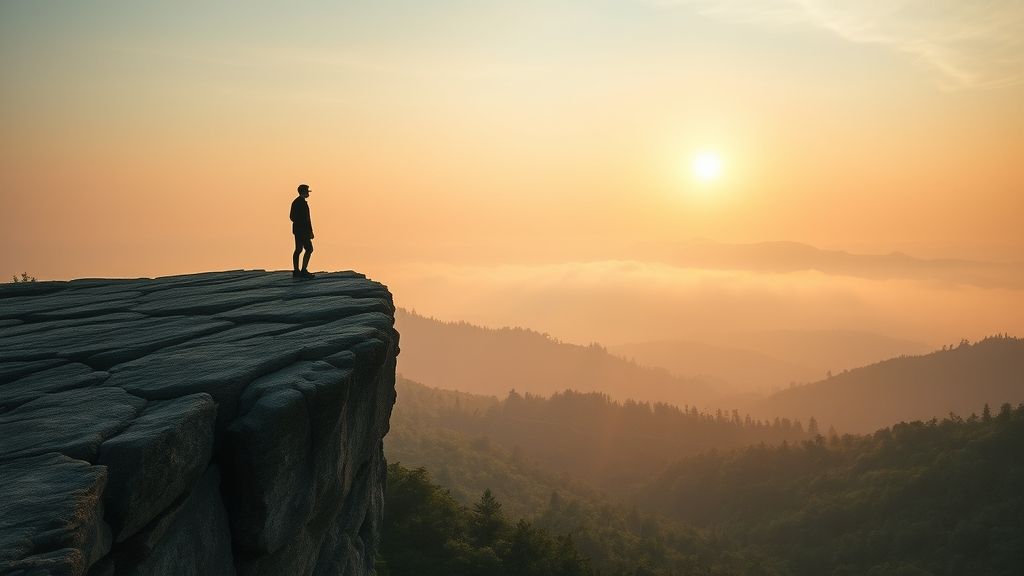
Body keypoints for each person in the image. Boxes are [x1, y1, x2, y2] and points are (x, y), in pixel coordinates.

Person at [290, 184, 315, 278]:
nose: (308, 193)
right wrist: (306, 229)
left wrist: (310, 230)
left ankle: (297, 271)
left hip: (300, 230)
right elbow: (293, 217)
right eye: (307, 191)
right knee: (308, 249)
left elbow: (307, 219)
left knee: (299, 249)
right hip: (302, 231)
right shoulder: (298, 202)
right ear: (303, 192)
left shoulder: (299, 202)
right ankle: (302, 270)